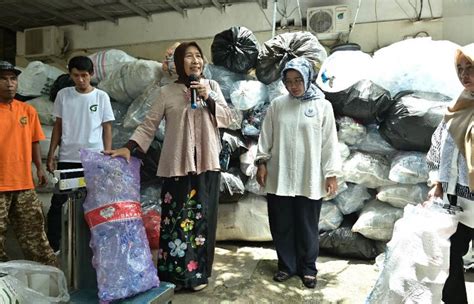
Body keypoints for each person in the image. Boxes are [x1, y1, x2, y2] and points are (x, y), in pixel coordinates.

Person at [106, 41, 234, 291]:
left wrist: (208, 98)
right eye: (188, 56)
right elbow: (148, 125)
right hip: (177, 166)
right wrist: (128, 148)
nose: (195, 60)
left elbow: (228, 119)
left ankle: (197, 275)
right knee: (176, 220)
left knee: (201, 222)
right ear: (178, 63)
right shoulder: (166, 93)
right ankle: (175, 274)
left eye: (199, 56)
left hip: (207, 166)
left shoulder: (213, 87)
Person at [255, 57, 341, 289]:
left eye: (298, 80)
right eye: (289, 81)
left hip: (309, 175)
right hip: (279, 174)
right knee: (281, 223)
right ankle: (286, 266)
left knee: (307, 224)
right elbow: (266, 136)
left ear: (308, 79)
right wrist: (261, 162)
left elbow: (329, 142)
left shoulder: (323, 106)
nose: (293, 86)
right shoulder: (278, 105)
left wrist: (331, 173)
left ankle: (308, 268)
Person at [46, 56, 114, 251]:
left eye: (84, 75)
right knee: (58, 202)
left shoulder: (101, 97)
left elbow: (107, 127)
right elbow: (58, 126)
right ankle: (55, 247)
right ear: (70, 75)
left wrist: (107, 154)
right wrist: (51, 154)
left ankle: (94, 246)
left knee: (95, 202)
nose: (81, 80)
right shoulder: (63, 95)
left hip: (93, 158)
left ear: (91, 74)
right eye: (76, 76)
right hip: (68, 158)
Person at [427, 43, 474, 304]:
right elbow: (440, 147)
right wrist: (438, 181)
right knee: (450, 256)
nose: (464, 74)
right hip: (456, 199)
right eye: (460, 69)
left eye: (470, 68)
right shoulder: (457, 107)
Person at [0, 60, 57, 266]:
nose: (9, 84)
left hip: (24, 185)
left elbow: (34, 141)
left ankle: (50, 281)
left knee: (36, 239)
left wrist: (40, 168)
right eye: (3, 79)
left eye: (13, 79)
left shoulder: (27, 111)